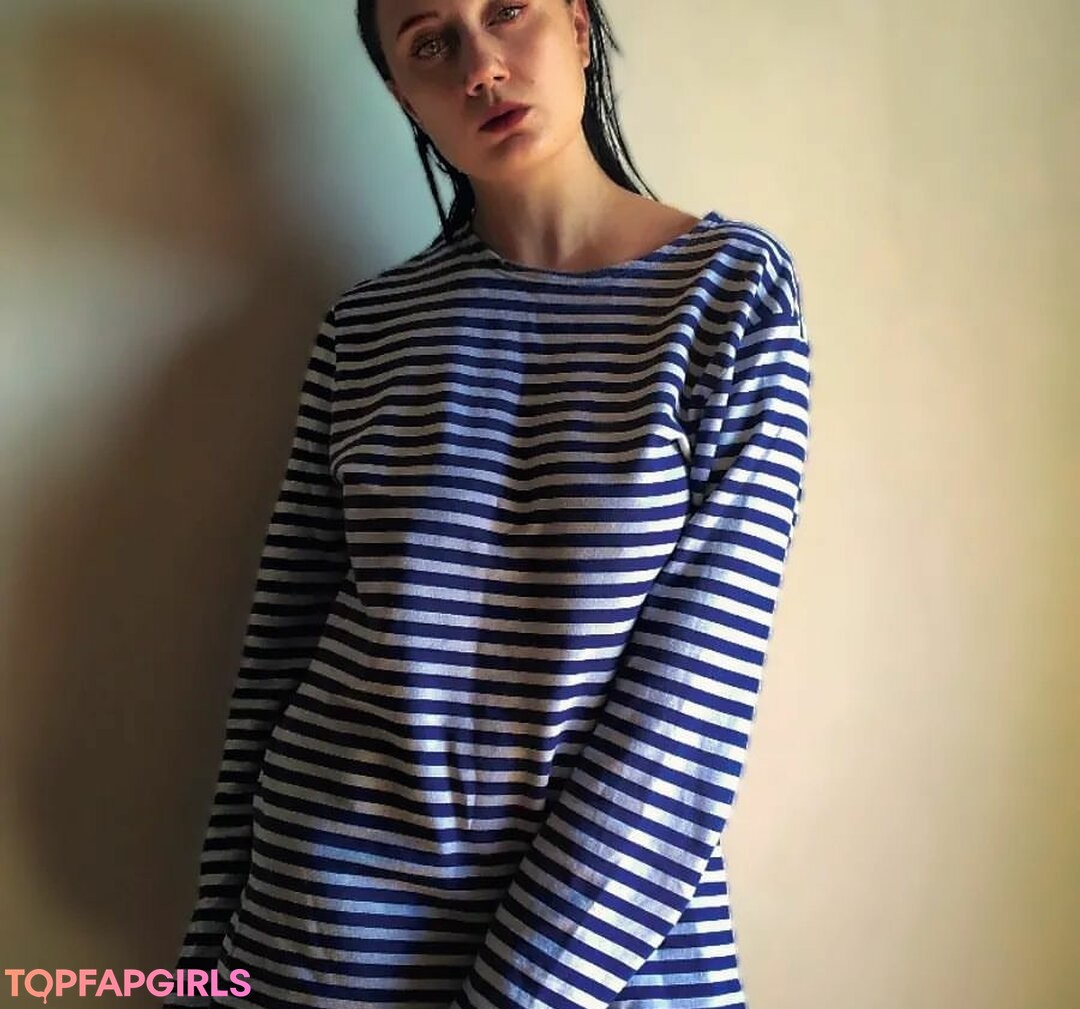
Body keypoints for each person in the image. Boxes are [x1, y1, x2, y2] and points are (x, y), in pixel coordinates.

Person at [165, 1, 813, 1007]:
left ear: (580, 27)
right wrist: (209, 969)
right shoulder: (366, 330)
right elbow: (277, 658)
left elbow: (688, 713)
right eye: (431, 44)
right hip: (321, 934)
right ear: (401, 95)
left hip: (604, 957)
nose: (481, 66)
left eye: (508, 11)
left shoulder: (726, 296)